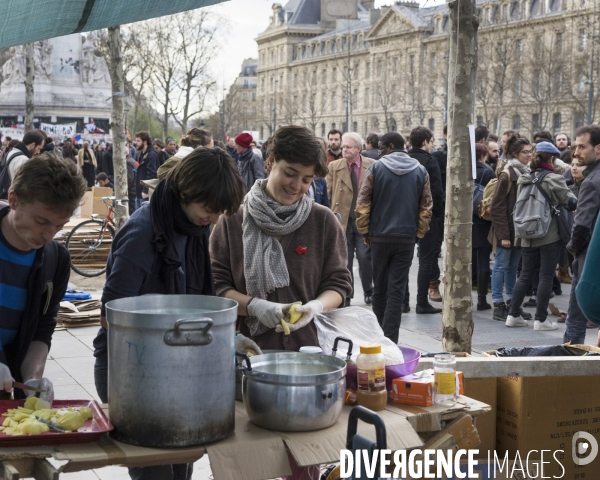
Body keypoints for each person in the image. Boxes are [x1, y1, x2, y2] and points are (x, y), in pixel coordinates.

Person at [93, 148, 253, 480]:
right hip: (131, 371)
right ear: (185, 191)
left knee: (182, 466)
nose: (212, 218)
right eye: (208, 209)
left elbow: (199, 303)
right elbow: (110, 315)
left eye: (218, 211)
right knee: (155, 473)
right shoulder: (143, 233)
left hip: (180, 370)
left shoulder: (192, 228)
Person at [210, 125, 352, 352]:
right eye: (289, 173)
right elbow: (216, 284)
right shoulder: (232, 220)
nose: (296, 186)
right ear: (270, 161)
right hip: (247, 351)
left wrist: (316, 307)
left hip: (308, 350)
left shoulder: (323, 221)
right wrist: (254, 307)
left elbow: (338, 283)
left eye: (307, 180)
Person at [0, 154, 87, 402]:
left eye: (59, 226)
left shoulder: (56, 260)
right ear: (14, 199)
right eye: (42, 221)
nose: (49, 236)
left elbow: (42, 328)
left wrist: (32, 380)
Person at [356, 132, 432, 343]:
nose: (378, 151)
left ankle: (378, 337)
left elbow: (362, 205)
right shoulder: (420, 170)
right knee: (397, 291)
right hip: (406, 238)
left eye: (380, 147)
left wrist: (365, 231)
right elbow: (426, 207)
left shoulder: (375, 169)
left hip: (379, 237)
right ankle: (391, 339)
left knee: (379, 288)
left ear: (390, 146)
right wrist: (418, 233)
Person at [504, 142, 577, 330]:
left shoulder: (524, 178)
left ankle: (513, 315)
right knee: (545, 275)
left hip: (526, 234)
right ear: (552, 158)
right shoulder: (554, 178)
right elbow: (570, 202)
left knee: (525, 274)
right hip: (548, 235)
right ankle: (541, 319)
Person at [327, 132, 375, 306]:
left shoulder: (372, 165)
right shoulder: (334, 166)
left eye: (348, 147)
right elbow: (328, 193)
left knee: (365, 258)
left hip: (363, 219)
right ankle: (347, 293)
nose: (344, 149)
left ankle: (369, 291)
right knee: (344, 260)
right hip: (342, 219)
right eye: (343, 147)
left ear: (358, 149)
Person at [489, 134, 532, 321]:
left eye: (531, 151)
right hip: (506, 231)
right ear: (515, 153)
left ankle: (512, 304)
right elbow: (496, 207)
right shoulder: (508, 174)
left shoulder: (525, 172)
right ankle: (498, 304)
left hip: (518, 231)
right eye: (525, 152)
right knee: (500, 267)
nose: (529, 155)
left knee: (513, 267)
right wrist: (503, 235)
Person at [564, 125, 600, 345]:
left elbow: (582, 226)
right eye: (575, 146)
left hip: (588, 262)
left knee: (575, 322)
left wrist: (573, 251)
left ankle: (570, 366)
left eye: (582, 147)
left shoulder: (592, 182)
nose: (576, 152)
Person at [406, 126, 444, 314]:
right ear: (425, 142)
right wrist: (437, 215)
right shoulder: (430, 161)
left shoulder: (404, 160)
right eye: (431, 141)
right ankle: (421, 302)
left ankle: (404, 301)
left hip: (405, 217)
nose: (432, 145)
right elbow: (436, 192)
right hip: (427, 218)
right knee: (426, 260)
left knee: (402, 260)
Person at [473, 144, 496, 310]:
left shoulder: (461, 171)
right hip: (482, 222)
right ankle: (482, 299)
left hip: (464, 221)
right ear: (483, 156)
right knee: (483, 261)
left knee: (465, 261)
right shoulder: (488, 172)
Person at [134, 131, 159, 209]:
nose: (136, 143)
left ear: (145, 142)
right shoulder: (142, 153)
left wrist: (145, 190)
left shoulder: (151, 155)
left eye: (138, 141)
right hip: (139, 191)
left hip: (145, 193)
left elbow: (152, 174)